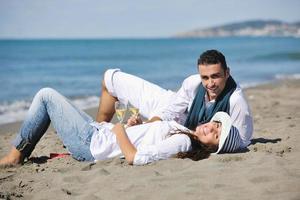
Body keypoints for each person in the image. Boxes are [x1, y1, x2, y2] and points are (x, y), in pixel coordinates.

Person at [0, 88, 241, 167]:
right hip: (97, 133)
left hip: (92, 144)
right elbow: (147, 142)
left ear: (213, 147)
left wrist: (119, 131)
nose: (211, 128)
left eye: (216, 135)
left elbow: (136, 158)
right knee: (51, 99)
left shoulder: (185, 142)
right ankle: (18, 153)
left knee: (46, 95)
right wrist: (133, 127)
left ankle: (15, 155)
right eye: (216, 125)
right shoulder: (185, 134)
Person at [96, 49, 253, 149]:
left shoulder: (236, 101)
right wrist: (146, 125)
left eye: (215, 76)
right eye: (205, 77)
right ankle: (97, 131)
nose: (210, 83)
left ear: (227, 73)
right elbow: (170, 111)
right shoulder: (193, 83)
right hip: (169, 105)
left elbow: (242, 141)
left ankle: (97, 141)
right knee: (110, 79)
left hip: (178, 129)